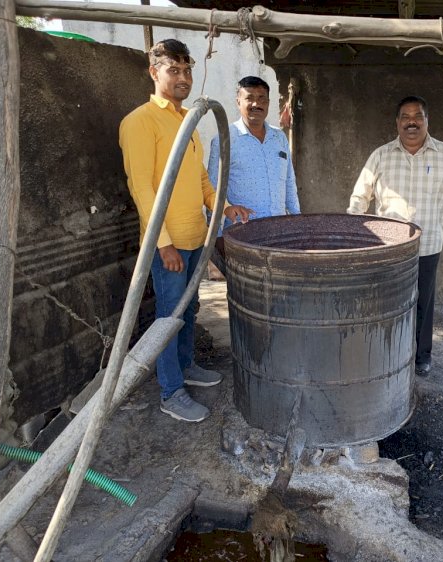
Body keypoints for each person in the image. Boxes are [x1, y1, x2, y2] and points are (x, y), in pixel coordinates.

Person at [119, 39, 251, 422]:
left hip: (196, 238)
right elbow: (142, 190)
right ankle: (170, 391)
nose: (182, 78)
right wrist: (163, 245)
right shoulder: (140, 121)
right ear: (154, 71)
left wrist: (225, 207)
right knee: (168, 317)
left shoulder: (188, 121)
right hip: (169, 244)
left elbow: (202, 183)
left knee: (189, 310)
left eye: (187, 70)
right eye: (173, 70)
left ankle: (186, 366)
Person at [347, 95, 443, 377]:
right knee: (386, 303)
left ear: (427, 121)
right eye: (405, 117)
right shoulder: (380, 156)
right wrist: (354, 232)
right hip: (387, 248)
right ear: (397, 123)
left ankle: (421, 357)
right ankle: (387, 355)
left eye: (417, 116)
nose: (411, 122)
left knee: (423, 303)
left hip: (427, 245)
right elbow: (359, 198)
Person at [207, 76, 300, 272]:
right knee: (247, 294)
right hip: (243, 237)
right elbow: (212, 189)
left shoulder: (279, 137)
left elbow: (289, 182)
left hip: (280, 234)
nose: (256, 104)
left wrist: (298, 223)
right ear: (238, 101)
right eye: (250, 98)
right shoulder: (225, 139)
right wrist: (215, 238)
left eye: (262, 98)